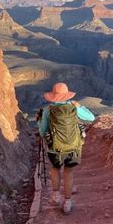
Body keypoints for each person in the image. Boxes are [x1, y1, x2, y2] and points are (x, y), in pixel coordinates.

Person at [38, 82, 95, 214]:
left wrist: (40, 121)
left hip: (55, 148)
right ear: (67, 95)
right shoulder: (74, 107)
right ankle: (67, 202)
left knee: (55, 168)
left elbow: (42, 132)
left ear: (53, 96)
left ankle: (56, 196)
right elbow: (91, 118)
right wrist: (79, 106)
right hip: (73, 147)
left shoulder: (48, 110)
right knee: (69, 172)